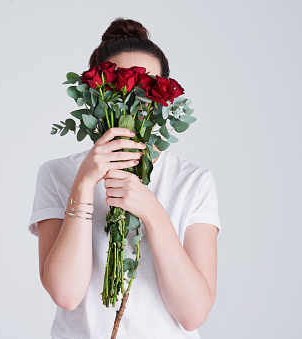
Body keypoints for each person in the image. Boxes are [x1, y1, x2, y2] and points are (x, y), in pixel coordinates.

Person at [28, 18, 221, 339]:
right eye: (118, 85)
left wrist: (152, 211)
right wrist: (84, 183)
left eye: (148, 86)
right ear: (95, 93)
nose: (135, 99)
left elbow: (193, 314)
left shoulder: (193, 181)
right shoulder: (57, 174)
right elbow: (66, 294)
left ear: (164, 98)